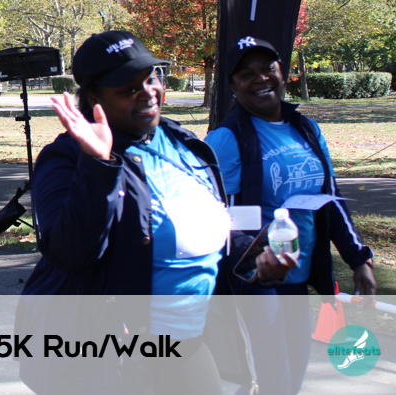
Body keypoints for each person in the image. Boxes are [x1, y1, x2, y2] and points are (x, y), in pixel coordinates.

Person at [19, 31, 289, 395]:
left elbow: (208, 226)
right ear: (95, 97)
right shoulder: (66, 158)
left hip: (189, 341)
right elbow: (69, 252)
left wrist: (255, 258)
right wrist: (99, 166)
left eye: (152, 78)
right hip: (114, 352)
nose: (148, 92)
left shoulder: (183, 143)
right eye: (129, 88)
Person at [205, 37, 375, 395]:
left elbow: (331, 199)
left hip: (299, 274)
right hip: (256, 279)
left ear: (282, 73)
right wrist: (255, 261)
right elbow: (221, 218)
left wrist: (358, 258)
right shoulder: (227, 139)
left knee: (293, 374)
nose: (260, 78)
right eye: (246, 74)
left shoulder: (307, 129)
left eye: (268, 68)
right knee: (273, 380)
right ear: (233, 86)